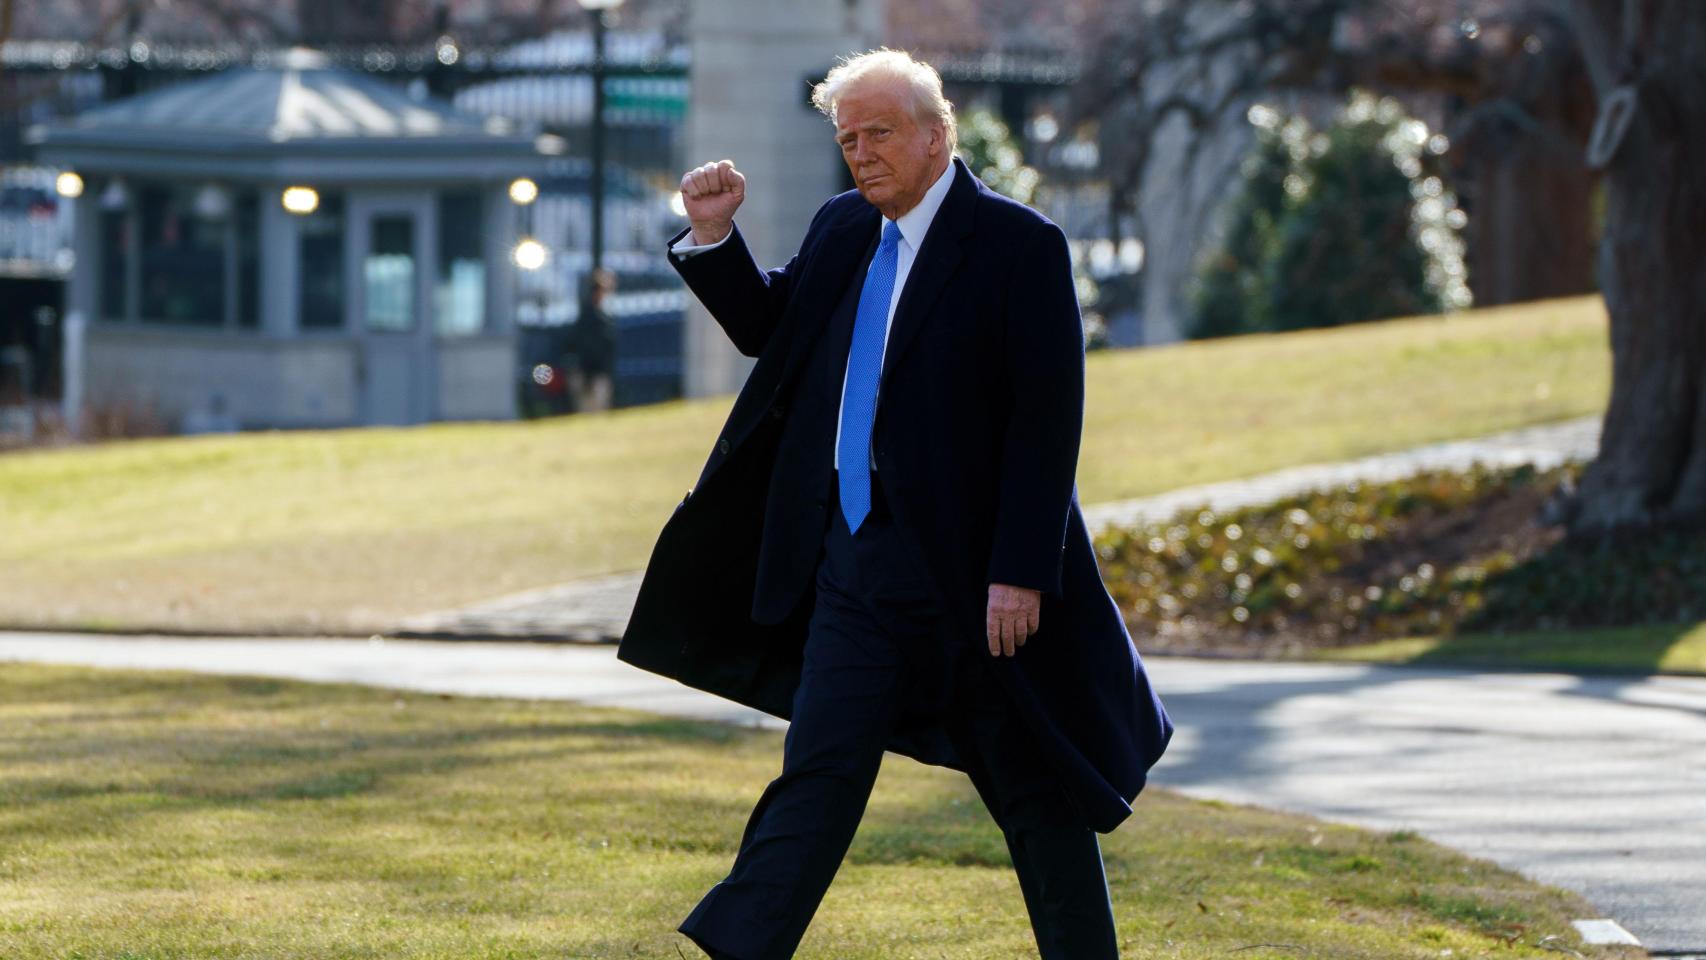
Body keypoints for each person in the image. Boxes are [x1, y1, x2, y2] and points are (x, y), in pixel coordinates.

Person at [617, 48, 1173, 960]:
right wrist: (716, 239)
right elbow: (771, 328)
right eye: (847, 139)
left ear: (936, 133)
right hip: (854, 570)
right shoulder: (844, 228)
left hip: (974, 584)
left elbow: (1047, 423)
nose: (862, 154)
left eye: (879, 133)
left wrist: (1020, 573)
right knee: (817, 776)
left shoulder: (1019, 245)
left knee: (1037, 798)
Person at [568, 267, 616, 413]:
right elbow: (588, 347)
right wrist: (589, 375)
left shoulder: (598, 315)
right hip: (591, 374)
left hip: (595, 372)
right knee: (591, 410)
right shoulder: (592, 317)